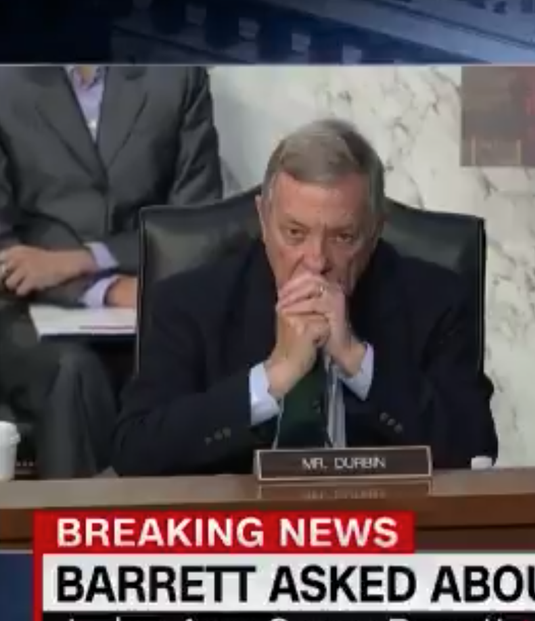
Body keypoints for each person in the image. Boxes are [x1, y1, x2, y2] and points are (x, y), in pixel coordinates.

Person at [112, 119, 499, 476]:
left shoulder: (436, 301)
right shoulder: (190, 301)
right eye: (295, 233)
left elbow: (474, 448)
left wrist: (357, 360)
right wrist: (272, 377)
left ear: (376, 230)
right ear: (263, 220)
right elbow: (136, 453)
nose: (316, 262)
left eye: (343, 237)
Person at [0, 65, 222, 478]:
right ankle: (78, 534)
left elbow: (196, 221)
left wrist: (88, 258)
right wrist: (101, 288)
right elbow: (4, 247)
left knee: (193, 361)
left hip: (151, 302)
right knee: (72, 373)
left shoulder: (177, 77)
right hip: (23, 311)